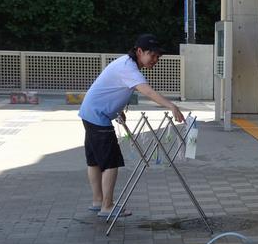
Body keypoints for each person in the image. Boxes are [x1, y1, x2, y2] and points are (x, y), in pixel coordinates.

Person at [79, 34, 185, 218]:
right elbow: (147, 91)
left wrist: (117, 110)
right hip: (98, 117)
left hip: (90, 113)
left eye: (158, 57)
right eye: (152, 55)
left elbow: (113, 89)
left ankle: (98, 201)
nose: (155, 60)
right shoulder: (129, 68)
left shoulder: (126, 64)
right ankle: (107, 206)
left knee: (95, 160)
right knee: (111, 162)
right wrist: (171, 106)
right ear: (139, 51)